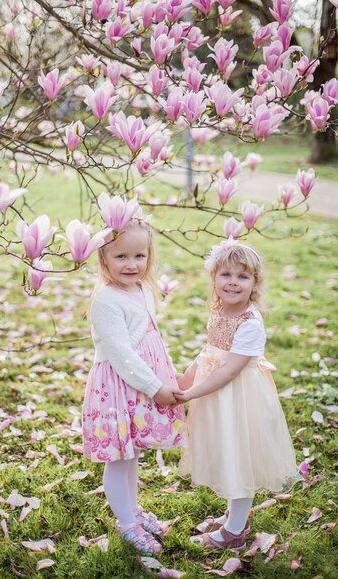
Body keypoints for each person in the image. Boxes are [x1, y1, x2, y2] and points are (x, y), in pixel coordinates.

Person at [176, 239, 302, 552]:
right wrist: (183, 380)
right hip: (218, 397)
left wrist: (190, 393)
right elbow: (209, 354)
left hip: (238, 399)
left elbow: (228, 370)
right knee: (227, 452)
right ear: (214, 279)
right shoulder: (219, 310)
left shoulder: (250, 321)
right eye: (226, 275)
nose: (233, 282)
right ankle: (234, 516)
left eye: (243, 277)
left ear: (255, 283)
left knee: (240, 458)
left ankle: (235, 530)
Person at [82, 216, 186, 555]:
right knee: (119, 456)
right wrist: (156, 386)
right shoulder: (106, 301)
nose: (132, 264)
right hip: (118, 386)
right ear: (103, 258)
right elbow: (121, 354)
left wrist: (163, 376)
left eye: (139, 256)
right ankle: (127, 525)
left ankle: (133, 511)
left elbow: (149, 340)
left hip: (139, 385)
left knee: (133, 453)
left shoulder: (143, 290)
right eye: (121, 256)